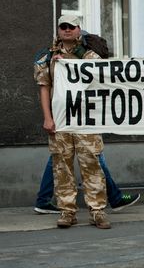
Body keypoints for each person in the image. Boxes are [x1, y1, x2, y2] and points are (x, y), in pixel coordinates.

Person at [34, 14, 111, 229]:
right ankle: (67, 211)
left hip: (86, 120)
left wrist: (70, 62)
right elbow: (44, 88)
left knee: (92, 166)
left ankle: (97, 211)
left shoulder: (90, 55)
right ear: (58, 30)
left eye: (71, 26)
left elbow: (100, 77)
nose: (67, 30)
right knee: (62, 168)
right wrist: (48, 118)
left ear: (79, 29)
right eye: (63, 26)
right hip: (60, 120)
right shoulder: (47, 57)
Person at [34, 155, 140, 213]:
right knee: (95, 155)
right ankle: (116, 198)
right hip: (75, 122)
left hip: (66, 121)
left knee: (57, 158)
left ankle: (43, 200)